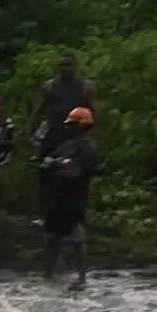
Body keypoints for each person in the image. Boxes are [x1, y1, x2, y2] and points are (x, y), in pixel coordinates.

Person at [42, 106, 99, 290]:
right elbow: (47, 161)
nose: (69, 128)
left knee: (77, 238)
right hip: (58, 197)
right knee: (52, 239)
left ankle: (82, 278)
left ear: (82, 126)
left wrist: (55, 166)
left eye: (73, 125)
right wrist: (56, 164)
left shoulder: (88, 148)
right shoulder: (66, 145)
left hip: (75, 198)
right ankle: (47, 275)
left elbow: (74, 173)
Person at [32, 53, 97, 213]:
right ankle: (44, 212)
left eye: (68, 65)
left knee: (74, 176)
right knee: (46, 172)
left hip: (75, 136)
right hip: (53, 134)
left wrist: (92, 134)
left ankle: (74, 213)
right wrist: (32, 131)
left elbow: (92, 110)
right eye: (62, 65)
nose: (65, 68)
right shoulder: (50, 86)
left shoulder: (84, 87)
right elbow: (39, 110)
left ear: (75, 67)